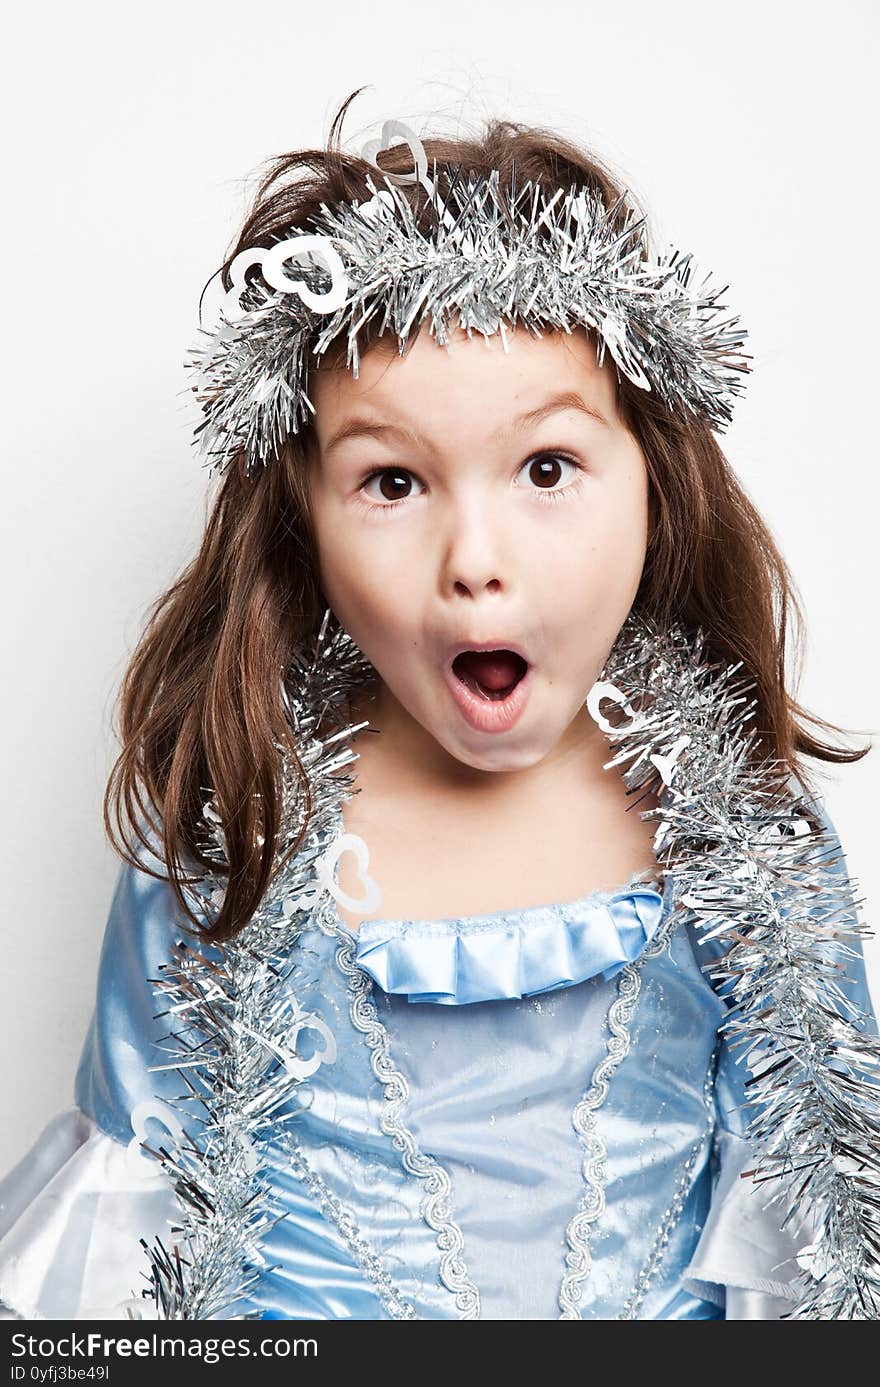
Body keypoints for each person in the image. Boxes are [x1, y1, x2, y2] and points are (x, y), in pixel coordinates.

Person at [1, 91, 878, 1322]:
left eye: (546, 468)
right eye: (393, 479)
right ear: (302, 514)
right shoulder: (233, 830)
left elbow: (828, 1239)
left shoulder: (745, 839)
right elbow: (136, 1236)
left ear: (657, 484)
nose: (476, 556)